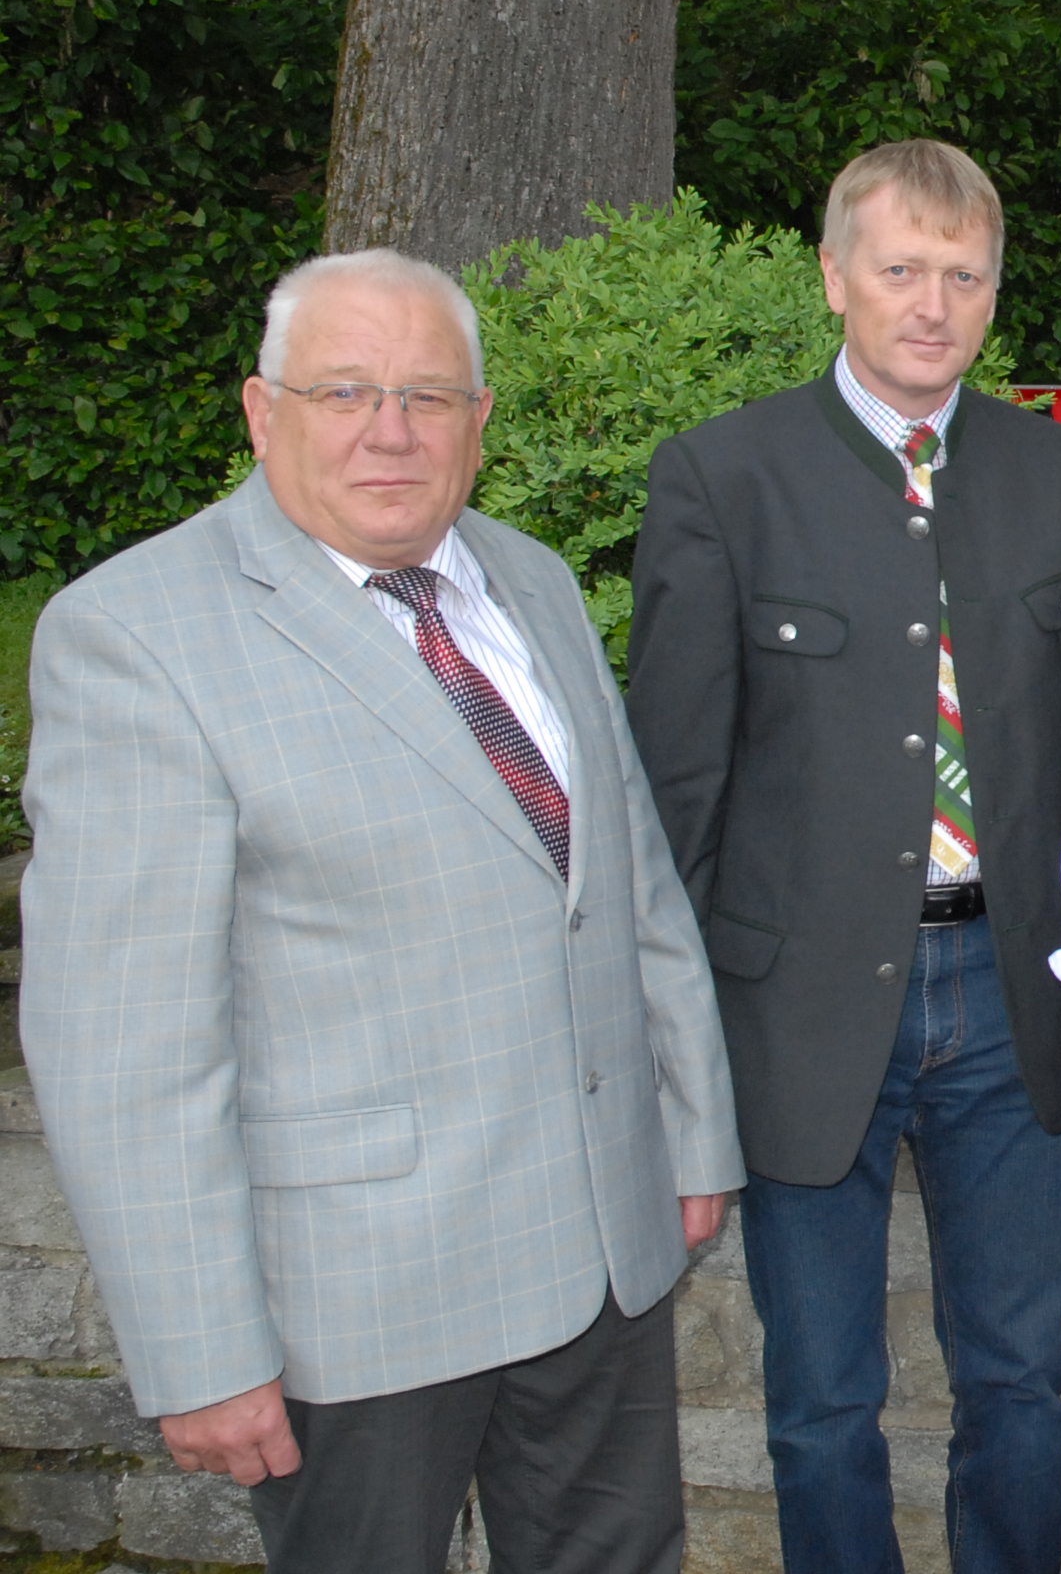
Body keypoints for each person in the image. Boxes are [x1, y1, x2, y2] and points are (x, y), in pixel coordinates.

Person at [21, 251, 742, 1572]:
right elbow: (126, 1050)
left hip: (598, 1254)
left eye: (428, 395)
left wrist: (691, 1136)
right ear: (262, 410)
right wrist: (199, 1348)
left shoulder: (525, 582)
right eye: (345, 390)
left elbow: (627, 877)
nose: (391, 431)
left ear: (478, 422)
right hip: (352, 1309)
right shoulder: (137, 638)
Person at [625, 139, 1061, 1574]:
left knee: (1023, 1387)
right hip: (796, 1010)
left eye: (964, 276)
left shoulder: (1056, 470)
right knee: (821, 1401)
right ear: (836, 276)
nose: (932, 303)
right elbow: (679, 781)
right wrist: (680, 1040)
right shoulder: (725, 473)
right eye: (901, 269)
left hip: (1013, 994)